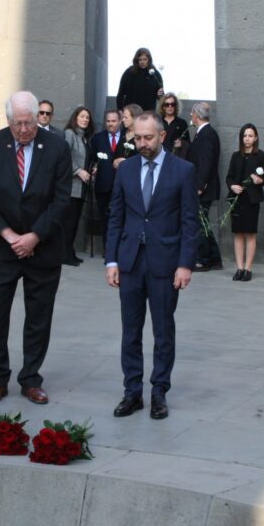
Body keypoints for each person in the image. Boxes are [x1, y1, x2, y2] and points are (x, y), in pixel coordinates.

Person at [0, 90, 71, 406]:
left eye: (30, 123)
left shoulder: (57, 146)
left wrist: (34, 236)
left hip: (43, 248)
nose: (25, 130)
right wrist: (8, 234)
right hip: (2, 248)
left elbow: (62, 198)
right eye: (18, 124)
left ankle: (31, 378)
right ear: (8, 120)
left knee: (39, 317)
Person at [105, 112, 199, 420]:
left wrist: (185, 264)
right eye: (138, 138)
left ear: (162, 136)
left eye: (148, 137)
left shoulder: (183, 170)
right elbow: (116, 217)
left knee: (163, 331)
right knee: (130, 331)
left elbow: (190, 222)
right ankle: (132, 392)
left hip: (165, 263)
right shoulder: (126, 169)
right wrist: (111, 260)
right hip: (130, 261)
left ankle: (159, 391)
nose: (143, 143)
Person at [226, 123, 264, 281]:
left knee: (250, 234)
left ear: (255, 138)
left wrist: (259, 180)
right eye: (245, 135)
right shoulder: (235, 156)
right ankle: (239, 268)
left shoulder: (261, 156)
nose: (247, 138)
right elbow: (229, 177)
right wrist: (232, 186)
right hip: (237, 199)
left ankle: (248, 269)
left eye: (250, 135)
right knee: (238, 233)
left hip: (252, 200)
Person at [186, 102, 223, 271]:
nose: (191, 116)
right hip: (202, 186)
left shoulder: (207, 134)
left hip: (203, 188)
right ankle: (214, 258)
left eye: (192, 113)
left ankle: (203, 259)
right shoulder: (204, 133)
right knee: (203, 223)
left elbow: (206, 162)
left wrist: (200, 186)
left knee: (200, 224)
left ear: (196, 115)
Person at [61, 106, 94, 266]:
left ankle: (69, 252)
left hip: (81, 188)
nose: (85, 119)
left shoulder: (84, 138)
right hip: (71, 187)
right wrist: (79, 171)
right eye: (82, 116)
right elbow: (64, 156)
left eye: (87, 117)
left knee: (74, 222)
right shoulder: (70, 133)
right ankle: (64, 254)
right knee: (68, 222)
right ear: (75, 118)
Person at [87, 109, 123, 228]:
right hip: (103, 187)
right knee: (105, 222)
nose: (110, 124)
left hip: (122, 187)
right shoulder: (97, 138)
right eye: (108, 121)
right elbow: (92, 159)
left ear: (120, 121)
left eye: (113, 121)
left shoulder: (127, 138)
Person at [159, 92, 190, 157]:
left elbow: (188, 143)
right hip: (159, 157)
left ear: (175, 106)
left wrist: (182, 144)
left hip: (176, 157)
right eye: (167, 104)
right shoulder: (157, 122)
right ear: (163, 107)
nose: (170, 106)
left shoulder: (182, 123)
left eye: (172, 104)